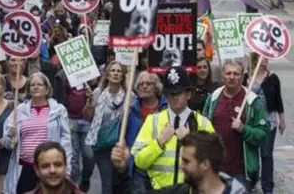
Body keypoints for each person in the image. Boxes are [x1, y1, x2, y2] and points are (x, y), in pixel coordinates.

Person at [132, 67, 214, 190]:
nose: (174, 97)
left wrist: (188, 142)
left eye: (178, 93)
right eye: (170, 93)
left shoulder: (202, 123)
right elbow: (139, 161)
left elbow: (212, 164)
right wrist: (159, 142)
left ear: (188, 94)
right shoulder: (152, 121)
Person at [202, 60, 269, 189]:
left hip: (241, 172)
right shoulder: (213, 99)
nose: (232, 77)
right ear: (222, 75)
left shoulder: (252, 101)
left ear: (243, 76)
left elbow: (263, 135)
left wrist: (244, 130)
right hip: (215, 170)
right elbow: (203, 127)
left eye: (236, 74)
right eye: (228, 73)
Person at [2, 73, 72, 194]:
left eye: (39, 84)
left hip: (49, 168)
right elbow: (8, 144)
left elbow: (66, 141)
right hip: (25, 168)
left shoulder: (59, 110)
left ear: (46, 88)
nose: (35, 87)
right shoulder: (19, 110)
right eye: (32, 85)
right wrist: (10, 134)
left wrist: (67, 168)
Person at [112, 131, 248, 194]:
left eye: (186, 161)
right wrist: (121, 170)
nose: (181, 166)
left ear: (205, 164)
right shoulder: (182, 190)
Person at [84, 61, 131, 194]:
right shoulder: (98, 93)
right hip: (102, 144)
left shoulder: (130, 96)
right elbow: (88, 117)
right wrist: (90, 103)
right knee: (107, 181)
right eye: (112, 70)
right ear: (107, 75)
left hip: (120, 144)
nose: (115, 73)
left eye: (119, 71)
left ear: (123, 76)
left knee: (120, 181)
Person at [246, 53, 285, 194]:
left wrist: (282, 119)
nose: (267, 60)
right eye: (264, 58)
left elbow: (278, 99)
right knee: (252, 152)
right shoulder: (247, 77)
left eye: (268, 58)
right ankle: (251, 180)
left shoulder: (273, 78)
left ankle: (267, 186)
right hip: (251, 121)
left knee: (266, 154)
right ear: (256, 60)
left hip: (270, 121)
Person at [125, 71, 167, 193]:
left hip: (160, 165)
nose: (144, 86)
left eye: (148, 83)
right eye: (141, 84)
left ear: (156, 87)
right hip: (138, 167)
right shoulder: (131, 110)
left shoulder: (167, 108)